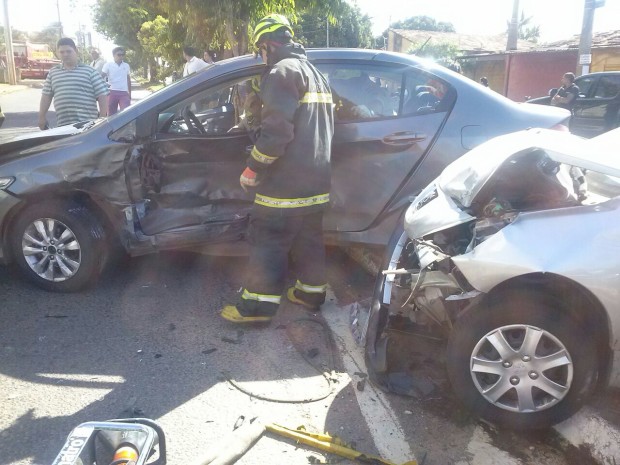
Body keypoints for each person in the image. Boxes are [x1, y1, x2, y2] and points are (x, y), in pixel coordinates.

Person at [220, 14, 334, 324]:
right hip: (316, 181)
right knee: (309, 241)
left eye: (260, 50)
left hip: (285, 184)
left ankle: (257, 308)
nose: (261, 56)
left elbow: (277, 133)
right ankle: (310, 294)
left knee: (268, 239)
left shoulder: (281, 72)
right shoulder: (315, 73)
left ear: (268, 45)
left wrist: (253, 168)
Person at [38, 37, 108, 130]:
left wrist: (102, 118)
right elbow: (46, 96)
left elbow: (102, 95)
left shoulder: (90, 71)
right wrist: (42, 117)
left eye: (68, 51)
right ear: (58, 53)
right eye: (62, 52)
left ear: (76, 51)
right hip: (63, 127)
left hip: (87, 126)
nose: (65, 54)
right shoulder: (53, 73)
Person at [102, 47, 131, 115]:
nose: (121, 57)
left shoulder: (126, 65)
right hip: (111, 92)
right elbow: (101, 77)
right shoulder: (108, 65)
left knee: (126, 114)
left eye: (122, 55)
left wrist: (129, 93)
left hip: (124, 93)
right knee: (111, 115)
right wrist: (103, 90)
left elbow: (128, 80)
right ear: (113, 55)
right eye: (119, 55)